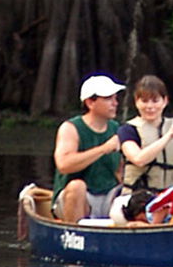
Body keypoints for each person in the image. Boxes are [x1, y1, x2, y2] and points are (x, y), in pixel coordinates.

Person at [52, 74, 124, 224]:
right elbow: (64, 165)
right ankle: (75, 234)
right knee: (77, 186)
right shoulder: (70, 128)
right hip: (76, 198)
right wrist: (104, 149)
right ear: (90, 102)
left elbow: (119, 170)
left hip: (109, 195)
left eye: (115, 98)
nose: (115, 103)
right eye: (108, 99)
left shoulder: (116, 128)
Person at [117, 75, 173, 193]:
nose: (150, 106)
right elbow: (138, 159)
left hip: (172, 196)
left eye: (155, 101)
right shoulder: (128, 130)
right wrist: (169, 135)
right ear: (136, 102)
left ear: (165, 101)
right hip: (137, 198)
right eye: (144, 101)